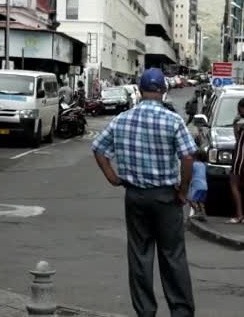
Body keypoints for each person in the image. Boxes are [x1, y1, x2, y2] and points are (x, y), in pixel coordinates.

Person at [92, 68, 196, 317]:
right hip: (166, 197)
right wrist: (183, 191)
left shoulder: (122, 119)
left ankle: (145, 311)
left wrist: (112, 177)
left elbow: (98, 148)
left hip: (135, 196)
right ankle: (180, 311)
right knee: (173, 255)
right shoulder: (173, 120)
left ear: (139, 90)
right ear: (163, 90)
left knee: (140, 255)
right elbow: (188, 156)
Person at [187, 150, 208, 222]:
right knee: (200, 201)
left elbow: (189, 173)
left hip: (197, 186)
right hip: (204, 186)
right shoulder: (204, 165)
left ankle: (197, 212)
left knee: (191, 200)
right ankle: (203, 214)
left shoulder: (194, 164)